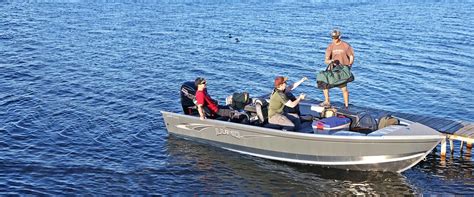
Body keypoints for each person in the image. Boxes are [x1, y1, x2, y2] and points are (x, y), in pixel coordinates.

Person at [322, 29, 354, 108]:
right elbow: (326, 60)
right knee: (324, 83)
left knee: (344, 88)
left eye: (335, 37)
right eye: (333, 37)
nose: (334, 39)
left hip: (342, 69)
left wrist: (349, 65)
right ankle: (327, 101)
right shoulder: (330, 46)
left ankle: (346, 106)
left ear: (339, 36)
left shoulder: (345, 45)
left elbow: (351, 56)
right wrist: (330, 61)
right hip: (333, 69)